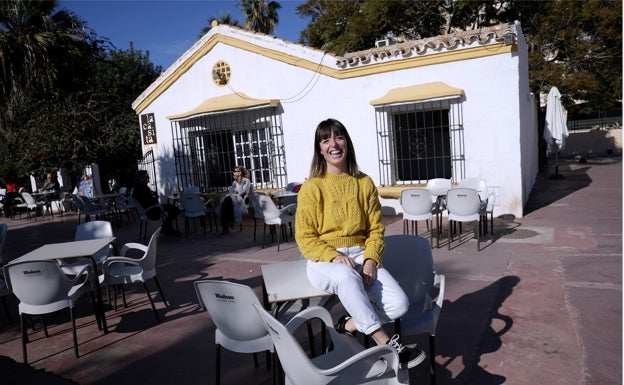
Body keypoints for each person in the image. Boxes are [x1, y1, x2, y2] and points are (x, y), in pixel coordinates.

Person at [295, 118, 425, 369]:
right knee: (345, 276)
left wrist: (370, 260)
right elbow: (305, 236)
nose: (333, 144)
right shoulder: (311, 187)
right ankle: (388, 346)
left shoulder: (364, 182)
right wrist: (332, 256)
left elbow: (376, 228)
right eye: (325, 140)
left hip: (360, 255)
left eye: (338, 137)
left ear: (347, 142)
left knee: (399, 304)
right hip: (323, 261)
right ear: (320, 149)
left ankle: (348, 324)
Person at [132, 170, 181, 236]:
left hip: (148, 209)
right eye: (147, 177)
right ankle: (165, 228)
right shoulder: (142, 188)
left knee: (171, 209)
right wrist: (155, 197)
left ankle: (167, 229)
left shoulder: (138, 187)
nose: (149, 178)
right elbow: (151, 201)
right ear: (141, 178)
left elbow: (148, 198)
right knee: (175, 209)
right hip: (151, 211)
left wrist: (153, 196)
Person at [220, 165, 253, 233]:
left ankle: (225, 225)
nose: (233, 173)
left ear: (240, 172)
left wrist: (238, 184)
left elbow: (243, 192)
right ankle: (226, 225)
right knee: (226, 203)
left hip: (241, 199)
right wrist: (235, 193)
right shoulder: (234, 182)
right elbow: (231, 192)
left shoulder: (246, 181)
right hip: (233, 198)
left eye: (235, 171)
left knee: (227, 203)